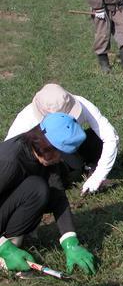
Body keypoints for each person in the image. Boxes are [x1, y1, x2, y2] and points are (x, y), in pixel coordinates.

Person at [0, 113, 96, 274]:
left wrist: (70, 241)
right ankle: (6, 254)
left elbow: (58, 197)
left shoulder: (44, 157)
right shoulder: (8, 162)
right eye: (61, 153)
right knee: (36, 187)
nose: (61, 159)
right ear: (46, 146)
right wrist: (4, 248)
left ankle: (13, 243)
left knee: (38, 189)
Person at [5, 83, 119, 195]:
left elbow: (110, 137)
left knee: (96, 139)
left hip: (72, 151)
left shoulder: (82, 104)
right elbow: (10, 154)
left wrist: (99, 176)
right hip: (48, 161)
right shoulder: (26, 120)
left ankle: (88, 169)